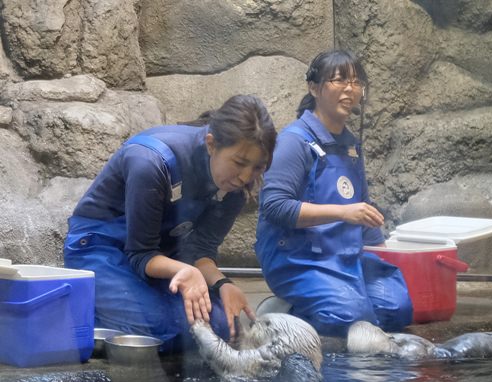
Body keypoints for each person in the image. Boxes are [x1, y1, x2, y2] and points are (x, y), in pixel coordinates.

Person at [64, 95, 276, 349]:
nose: (245, 176)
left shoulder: (236, 186)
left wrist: (223, 284)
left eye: (257, 167)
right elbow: (140, 252)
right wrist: (183, 271)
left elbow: (200, 248)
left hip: (163, 257)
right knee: (162, 326)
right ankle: (80, 310)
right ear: (211, 144)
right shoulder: (152, 162)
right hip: (101, 248)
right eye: (240, 163)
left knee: (218, 327)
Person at [255, 49, 413, 337]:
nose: (350, 89)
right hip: (299, 259)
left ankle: (336, 301)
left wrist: (383, 253)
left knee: (396, 310)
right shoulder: (294, 142)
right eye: (339, 81)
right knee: (349, 318)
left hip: (345, 257)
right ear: (314, 88)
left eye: (356, 82)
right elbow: (275, 207)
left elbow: (363, 209)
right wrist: (343, 212)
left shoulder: (351, 146)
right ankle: (282, 314)